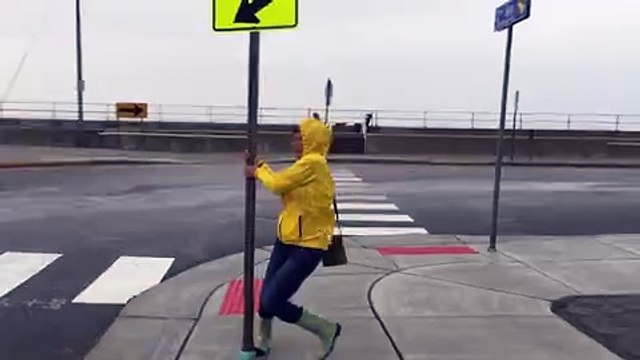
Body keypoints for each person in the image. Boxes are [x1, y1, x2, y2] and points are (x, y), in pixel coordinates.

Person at [244, 117, 341, 359]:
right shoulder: (304, 165)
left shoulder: (313, 164)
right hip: (287, 240)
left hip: (308, 247)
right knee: (266, 301)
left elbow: (277, 184)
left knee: (273, 299)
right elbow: (285, 185)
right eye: (294, 138)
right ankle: (264, 342)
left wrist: (257, 171)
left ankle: (325, 328)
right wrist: (260, 166)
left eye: (299, 138)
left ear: (311, 140)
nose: (293, 142)